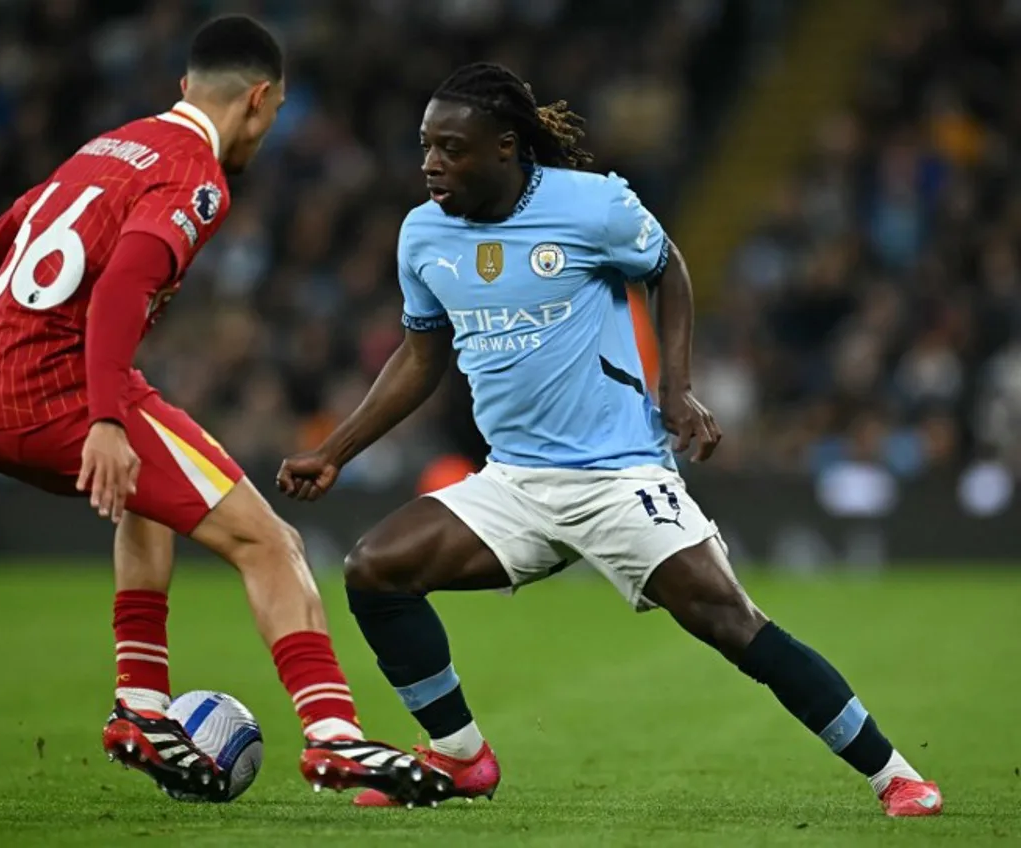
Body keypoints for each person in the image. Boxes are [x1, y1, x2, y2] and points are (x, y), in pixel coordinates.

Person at [278, 62, 943, 817]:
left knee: (731, 623)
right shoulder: (423, 234)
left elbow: (669, 269)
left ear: (505, 148)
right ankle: (462, 758)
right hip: (515, 483)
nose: (431, 163)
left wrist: (677, 389)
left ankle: (894, 774)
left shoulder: (592, 207)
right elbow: (420, 354)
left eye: (450, 148)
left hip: (618, 476)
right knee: (375, 570)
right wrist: (334, 451)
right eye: (426, 145)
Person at [0, 15, 449, 807]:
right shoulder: (196, 176)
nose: (268, 129)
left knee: (155, 490)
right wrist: (105, 418)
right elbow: (120, 288)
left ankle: (142, 707)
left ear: (185, 86)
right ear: (258, 100)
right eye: (275, 114)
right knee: (269, 542)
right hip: (62, 394)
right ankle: (335, 738)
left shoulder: (104, 149)